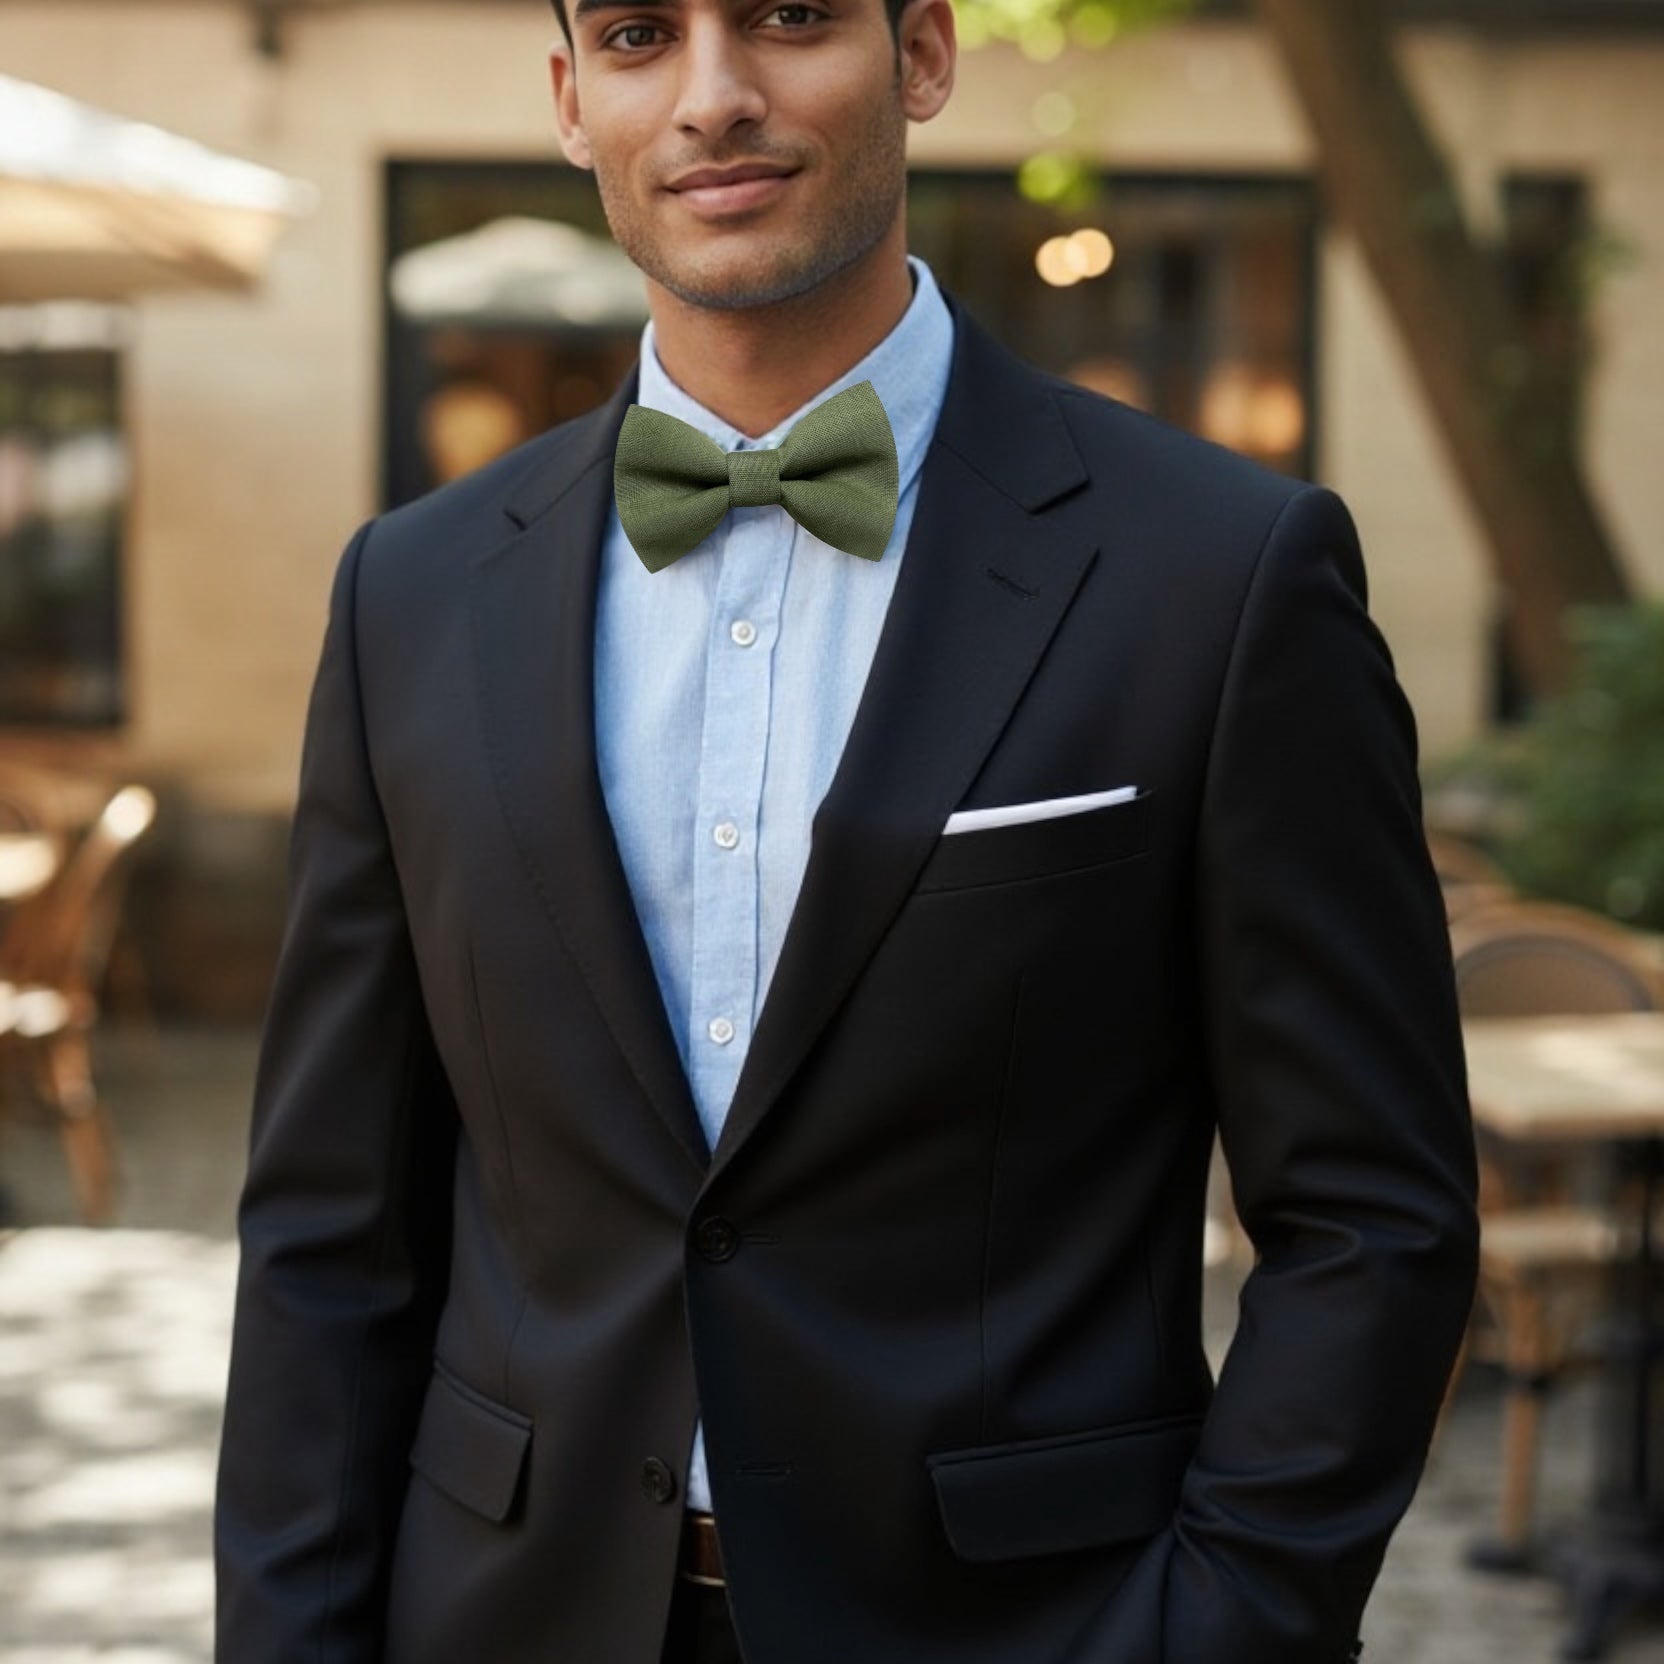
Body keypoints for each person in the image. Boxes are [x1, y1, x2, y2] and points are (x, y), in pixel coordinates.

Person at [212, 0, 1481, 1658]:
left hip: (1031, 1621)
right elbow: (329, 1228)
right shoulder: (413, 595)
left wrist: (1224, 1624)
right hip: (501, 1612)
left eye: (793, 18)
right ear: (570, 100)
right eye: (640, 36)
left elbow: (1373, 1217)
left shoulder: (1223, 578)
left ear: (927, 57)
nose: (714, 99)